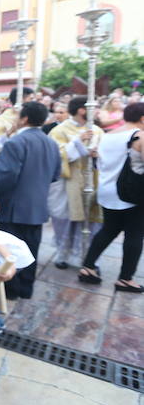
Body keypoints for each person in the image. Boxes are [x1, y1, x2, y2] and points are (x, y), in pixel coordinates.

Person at [0, 102, 62, 299]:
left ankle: (9, 290)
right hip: (38, 205)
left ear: (23, 118)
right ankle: (25, 289)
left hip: (13, 205)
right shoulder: (51, 142)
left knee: (11, 251)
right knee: (31, 250)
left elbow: (4, 176)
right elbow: (55, 174)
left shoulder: (16, 142)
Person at [78, 102, 144, 292]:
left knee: (109, 230)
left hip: (108, 189)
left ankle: (88, 267)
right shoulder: (139, 136)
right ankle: (125, 278)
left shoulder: (107, 135)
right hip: (132, 192)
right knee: (135, 234)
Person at [49, 96, 104, 268]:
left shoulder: (97, 130)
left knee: (90, 220)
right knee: (66, 220)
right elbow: (55, 156)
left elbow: (106, 155)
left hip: (92, 180)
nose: (96, 111)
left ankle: (88, 256)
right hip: (68, 183)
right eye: (93, 107)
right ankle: (63, 255)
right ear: (81, 110)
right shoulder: (60, 131)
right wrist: (78, 142)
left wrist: (97, 155)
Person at [0, 86, 34, 154]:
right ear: (21, 99)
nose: (33, 102)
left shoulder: (33, 116)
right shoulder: (2, 120)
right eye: (31, 99)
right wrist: (9, 133)